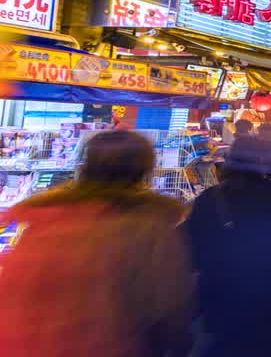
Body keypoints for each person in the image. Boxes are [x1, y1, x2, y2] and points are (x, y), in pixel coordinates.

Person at [0, 130, 193, 357]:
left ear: (86, 165)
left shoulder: (45, 218)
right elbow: (167, 307)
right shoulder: (148, 228)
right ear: (145, 172)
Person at [186, 137, 271, 356]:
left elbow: (192, 250)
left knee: (224, 345)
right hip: (269, 290)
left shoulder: (209, 198)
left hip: (221, 291)